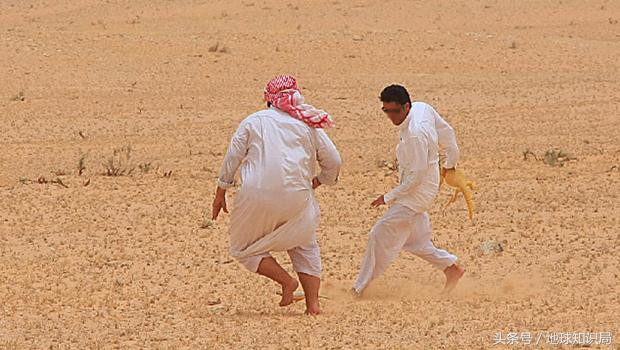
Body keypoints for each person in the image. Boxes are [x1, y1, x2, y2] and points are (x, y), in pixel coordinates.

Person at [212, 75, 342, 315]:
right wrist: (320, 181)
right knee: (304, 243)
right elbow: (333, 161)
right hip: (297, 196)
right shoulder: (308, 124)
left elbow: (233, 158)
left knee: (243, 247)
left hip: (255, 196)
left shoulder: (253, 121)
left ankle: (286, 281)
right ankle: (313, 305)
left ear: (268, 99)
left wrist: (221, 190)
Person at [353, 84, 465, 295]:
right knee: (417, 241)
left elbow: (417, 176)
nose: (391, 117)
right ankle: (452, 269)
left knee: (378, 234)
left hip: (417, 192)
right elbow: (447, 133)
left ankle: (359, 288)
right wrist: (451, 161)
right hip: (418, 184)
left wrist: (387, 197)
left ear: (407, 106)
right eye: (386, 111)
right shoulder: (423, 108)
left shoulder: (415, 134)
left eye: (395, 111)